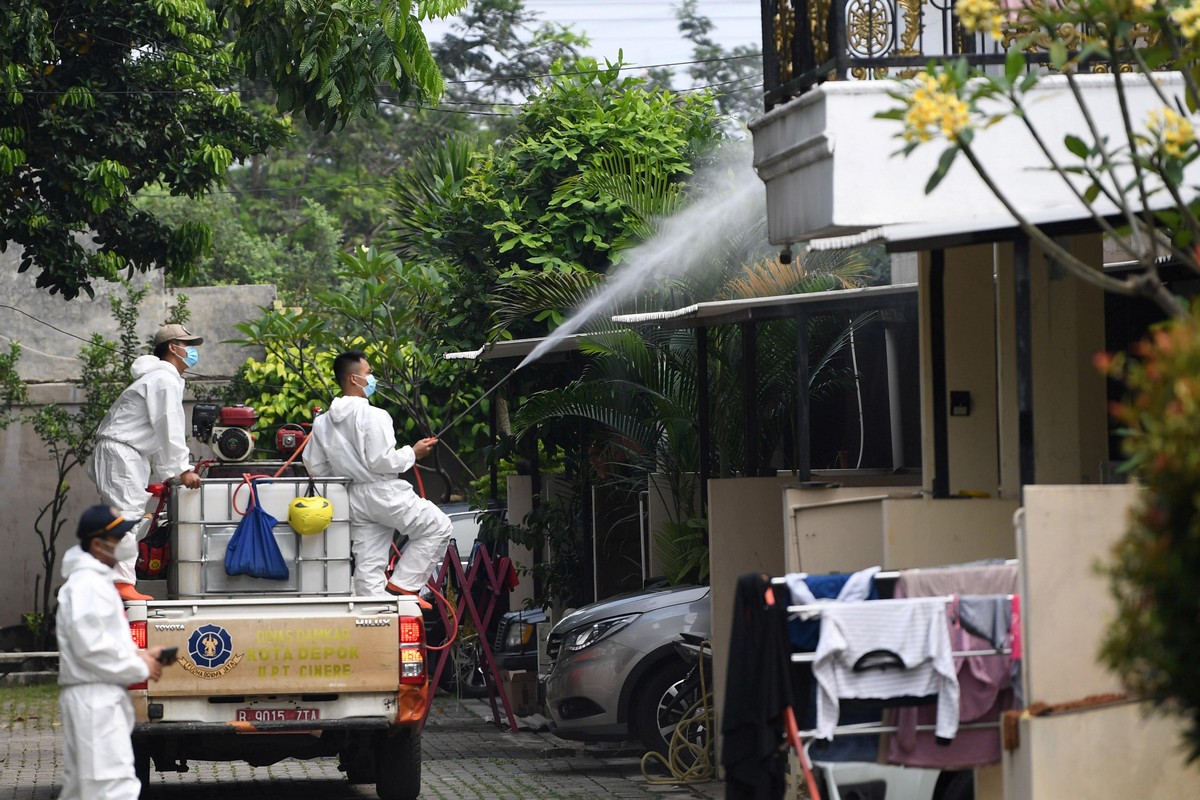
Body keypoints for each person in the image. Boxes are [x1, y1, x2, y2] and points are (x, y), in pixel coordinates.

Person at [302, 350, 452, 602]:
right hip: (383, 491)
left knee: (369, 563)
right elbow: (382, 460)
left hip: (353, 497)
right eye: (369, 372)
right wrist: (413, 452)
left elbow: (314, 466)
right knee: (437, 527)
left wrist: (345, 477)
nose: (373, 378)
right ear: (353, 378)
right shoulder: (374, 415)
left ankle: (374, 611)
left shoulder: (323, 422)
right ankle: (403, 587)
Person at [57, 505, 167, 800]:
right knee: (111, 787)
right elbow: (92, 650)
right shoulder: (88, 587)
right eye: (118, 537)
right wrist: (139, 668)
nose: (124, 543)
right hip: (95, 699)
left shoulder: (93, 583)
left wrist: (140, 656)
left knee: (87, 789)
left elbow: (103, 640)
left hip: (97, 696)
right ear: (97, 544)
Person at [88, 324, 203, 601]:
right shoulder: (163, 379)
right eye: (186, 344)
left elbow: (160, 431)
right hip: (122, 451)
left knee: (127, 515)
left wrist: (170, 472)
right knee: (126, 515)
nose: (192, 351)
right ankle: (121, 584)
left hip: (126, 452)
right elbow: (169, 427)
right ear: (173, 348)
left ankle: (112, 580)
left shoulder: (161, 378)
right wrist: (182, 469)